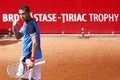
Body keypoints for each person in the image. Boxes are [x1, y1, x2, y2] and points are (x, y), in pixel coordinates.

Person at [12, 5, 42, 80]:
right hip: (37, 56)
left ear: (29, 13)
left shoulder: (29, 25)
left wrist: (32, 60)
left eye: (23, 14)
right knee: (33, 78)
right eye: (20, 14)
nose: (21, 16)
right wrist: (14, 27)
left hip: (28, 57)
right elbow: (18, 36)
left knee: (22, 78)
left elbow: (35, 43)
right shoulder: (29, 23)